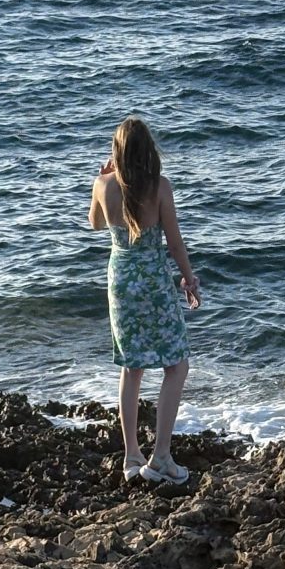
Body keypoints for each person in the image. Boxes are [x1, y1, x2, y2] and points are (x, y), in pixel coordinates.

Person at [88, 115, 201, 484]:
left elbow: (95, 224)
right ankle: (161, 456)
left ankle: (132, 456)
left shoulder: (103, 185)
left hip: (121, 280)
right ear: (149, 150)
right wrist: (189, 279)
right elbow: (175, 243)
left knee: (131, 367)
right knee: (176, 365)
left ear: (117, 151)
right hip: (152, 278)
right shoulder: (160, 187)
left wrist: (103, 178)